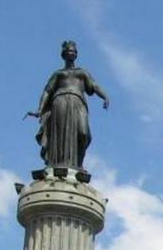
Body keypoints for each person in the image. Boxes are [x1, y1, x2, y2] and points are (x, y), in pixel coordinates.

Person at [28, 40, 110, 170]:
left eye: (73, 51)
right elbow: (47, 91)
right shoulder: (58, 74)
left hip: (78, 102)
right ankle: (58, 165)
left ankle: (78, 164)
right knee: (60, 134)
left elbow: (93, 85)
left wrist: (105, 96)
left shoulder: (82, 73)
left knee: (83, 133)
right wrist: (40, 110)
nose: (71, 53)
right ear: (64, 54)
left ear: (76, 54)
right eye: (69, 51)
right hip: (60, 102)